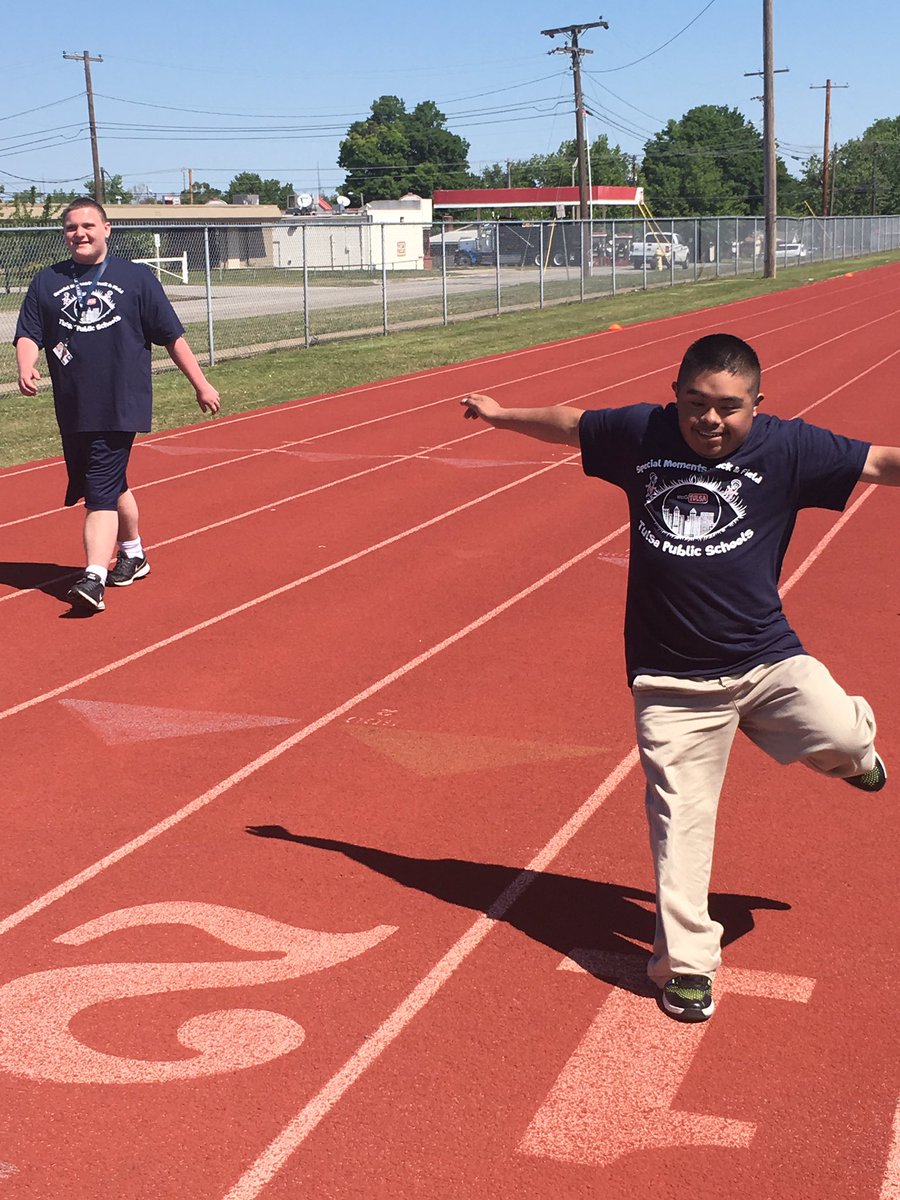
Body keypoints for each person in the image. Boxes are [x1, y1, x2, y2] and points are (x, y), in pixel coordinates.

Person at [460, 332, 895, 1023]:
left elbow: (878, 463)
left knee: (842, 736)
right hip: (672, 683)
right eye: (696, 403)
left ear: (757, 405)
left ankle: (856, 754)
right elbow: (572, 424)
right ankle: (686, 966)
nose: (710, 420)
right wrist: (500, 412)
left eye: (728, 407)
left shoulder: (788, 446)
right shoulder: (643, 432)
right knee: (681, 825)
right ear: (675, 396)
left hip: (768, 660)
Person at [14, 197, 220, 614]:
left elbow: (171, 336)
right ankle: (134, 552)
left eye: (88, 225)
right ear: (64, 234)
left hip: (120, 402)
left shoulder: (136, 278)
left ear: (107, 229)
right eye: (72, 228)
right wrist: (26, 365)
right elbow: (28, 332)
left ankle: (93, 576)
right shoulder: (46, 282)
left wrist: (200, 383)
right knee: (108, 481)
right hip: (73, 404)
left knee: (99, 492)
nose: (80, 234)